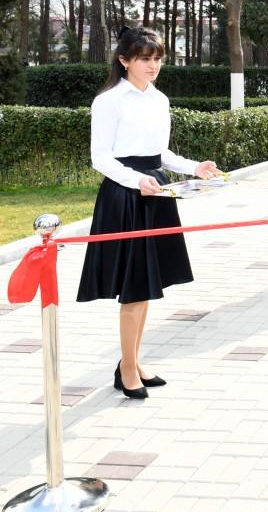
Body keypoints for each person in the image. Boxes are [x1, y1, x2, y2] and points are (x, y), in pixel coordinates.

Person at [77, 26, 220, 400]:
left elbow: (163, 155)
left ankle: (133, 360)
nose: (153, 65)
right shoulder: (108, 101)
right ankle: (126, 369)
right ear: (124, 60)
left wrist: (195, 167)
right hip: (124, 197)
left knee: (148, 286)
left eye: (157, 58)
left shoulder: (160, 99)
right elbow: (100, 158)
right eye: (144, 58)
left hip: (156, 193)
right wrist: (135, 180)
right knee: (134, 287)